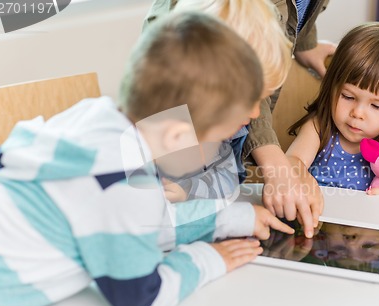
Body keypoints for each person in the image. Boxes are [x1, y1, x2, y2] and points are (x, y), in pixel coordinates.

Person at [0, 12, 294, 306]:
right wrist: (208, 259)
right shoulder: (120, 186)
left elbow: (145, 222)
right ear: (178, 136)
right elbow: (140, 296)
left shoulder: (96, 120)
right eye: (221, 139)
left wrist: (230, 218)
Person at [144, 0, 336, 238]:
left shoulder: (228, 135)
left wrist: (196, 195)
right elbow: (146, 234)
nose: (256, 114)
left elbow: (226, 184)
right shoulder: (147, 150)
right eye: (249, 98)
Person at [287, 22, 379, 203]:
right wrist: (300, 175)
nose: (357, 113)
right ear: (332, 87)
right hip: (317, 219)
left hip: (366, 227)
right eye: (348, 96)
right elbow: (292, 161)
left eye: (377, 106)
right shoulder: (319, 126)